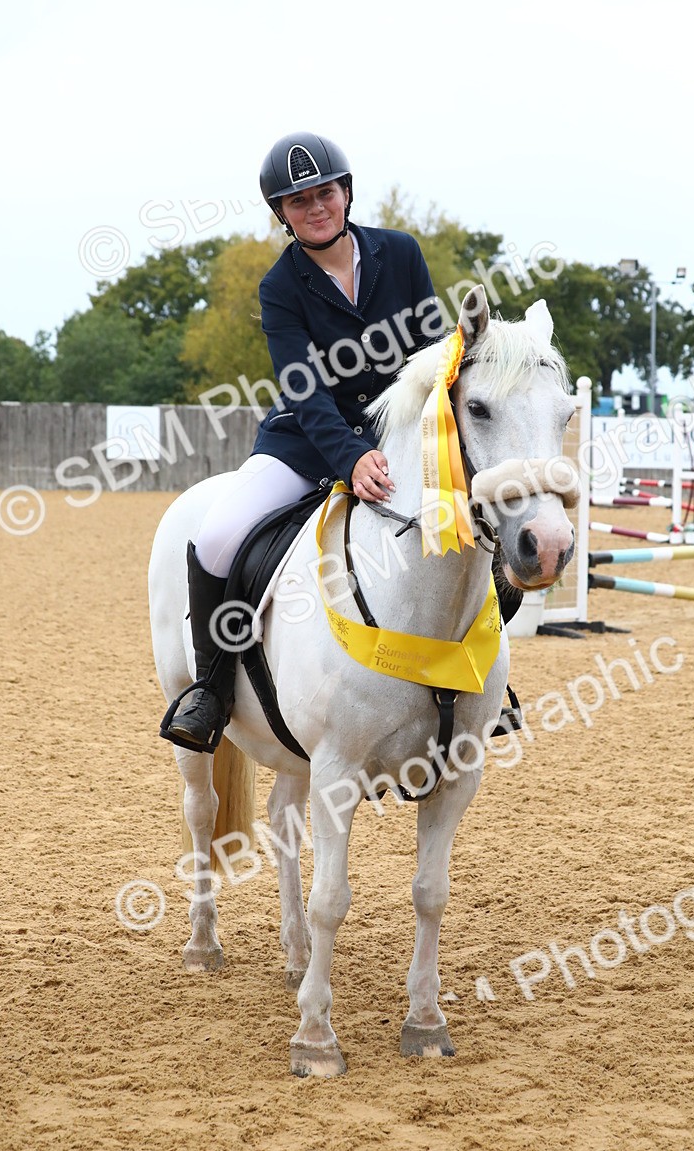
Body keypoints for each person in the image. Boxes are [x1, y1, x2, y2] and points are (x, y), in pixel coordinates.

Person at [163, 131, 445, 751]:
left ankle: (483, 685)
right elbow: (304, 388)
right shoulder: (280, 285)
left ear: (345, 193)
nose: (316, 208)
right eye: (298, 201)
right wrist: (349, 456)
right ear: (281, 215)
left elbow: (433, 356)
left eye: (324, 193)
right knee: (215, 537)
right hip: (306, 442)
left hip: (400, 437)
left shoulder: (401, 255)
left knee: (477, 513)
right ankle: (210, 686)